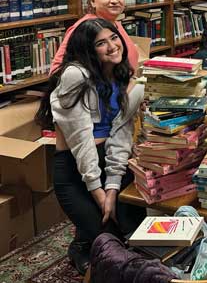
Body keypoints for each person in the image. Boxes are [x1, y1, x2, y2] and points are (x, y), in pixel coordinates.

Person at [35, 18, 145, 275]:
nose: (112, 46)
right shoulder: (76, 75)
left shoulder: (123, 77)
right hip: (74, 168)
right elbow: (81, 142)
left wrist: (113, 187)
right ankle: (80, 247)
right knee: (111, 244)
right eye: (101, 43)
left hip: (108, 161)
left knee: (135, 235)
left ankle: (85, 239)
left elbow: (121, 136)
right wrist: (100, 194)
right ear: (87, 49)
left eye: (114, 38)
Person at [50, 0, 139, 74]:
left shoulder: (114, 23)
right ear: (92, 1)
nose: (114, 0)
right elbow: (57, 70)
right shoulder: (84, 28)